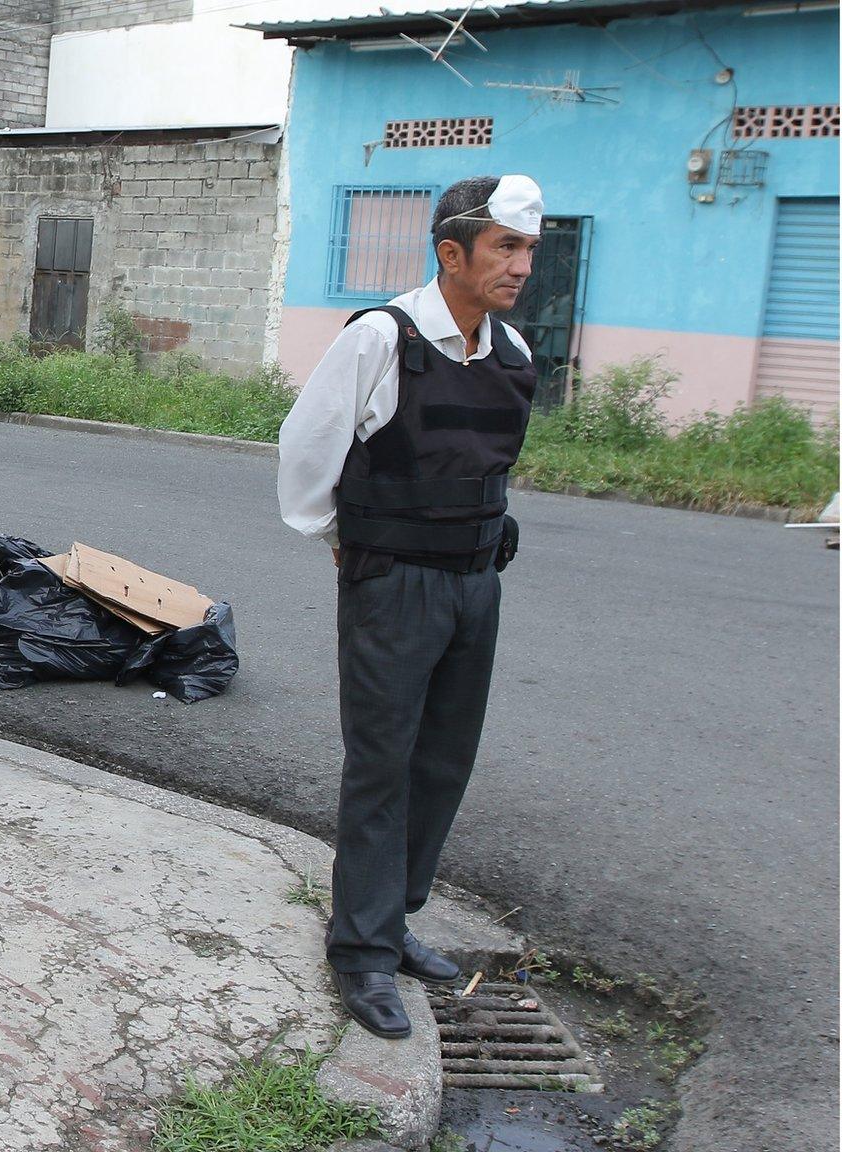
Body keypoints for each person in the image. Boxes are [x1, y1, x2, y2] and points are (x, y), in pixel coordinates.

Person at [276, 175, 542, 1038]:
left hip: (474, 584)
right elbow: (308, 445)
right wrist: (342, 541)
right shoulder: (382, 339)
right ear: (452, 252)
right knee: (383, 762)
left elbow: (485, 466)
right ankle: (358, 950)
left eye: (529, 249)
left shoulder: (514, 354)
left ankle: (393, 924)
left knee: (442, 761)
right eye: (506, 247)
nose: (521, 265)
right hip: (394, 585)